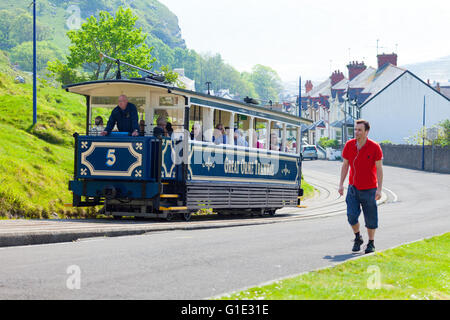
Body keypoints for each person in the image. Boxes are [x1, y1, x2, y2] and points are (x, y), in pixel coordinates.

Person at [339, 119, 383, 254]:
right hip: (353, 188)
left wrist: (379, 189)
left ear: (366, 132)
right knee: (351, 216)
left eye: (359, 130)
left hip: (369, 189)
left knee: (370, 217)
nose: (356, 132)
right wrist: (341, 184)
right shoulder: (349, 145)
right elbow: (345, 165)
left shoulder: (375, 147)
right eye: (355, 130)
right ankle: (358, 237)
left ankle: (371, 243)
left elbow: (379, 169)